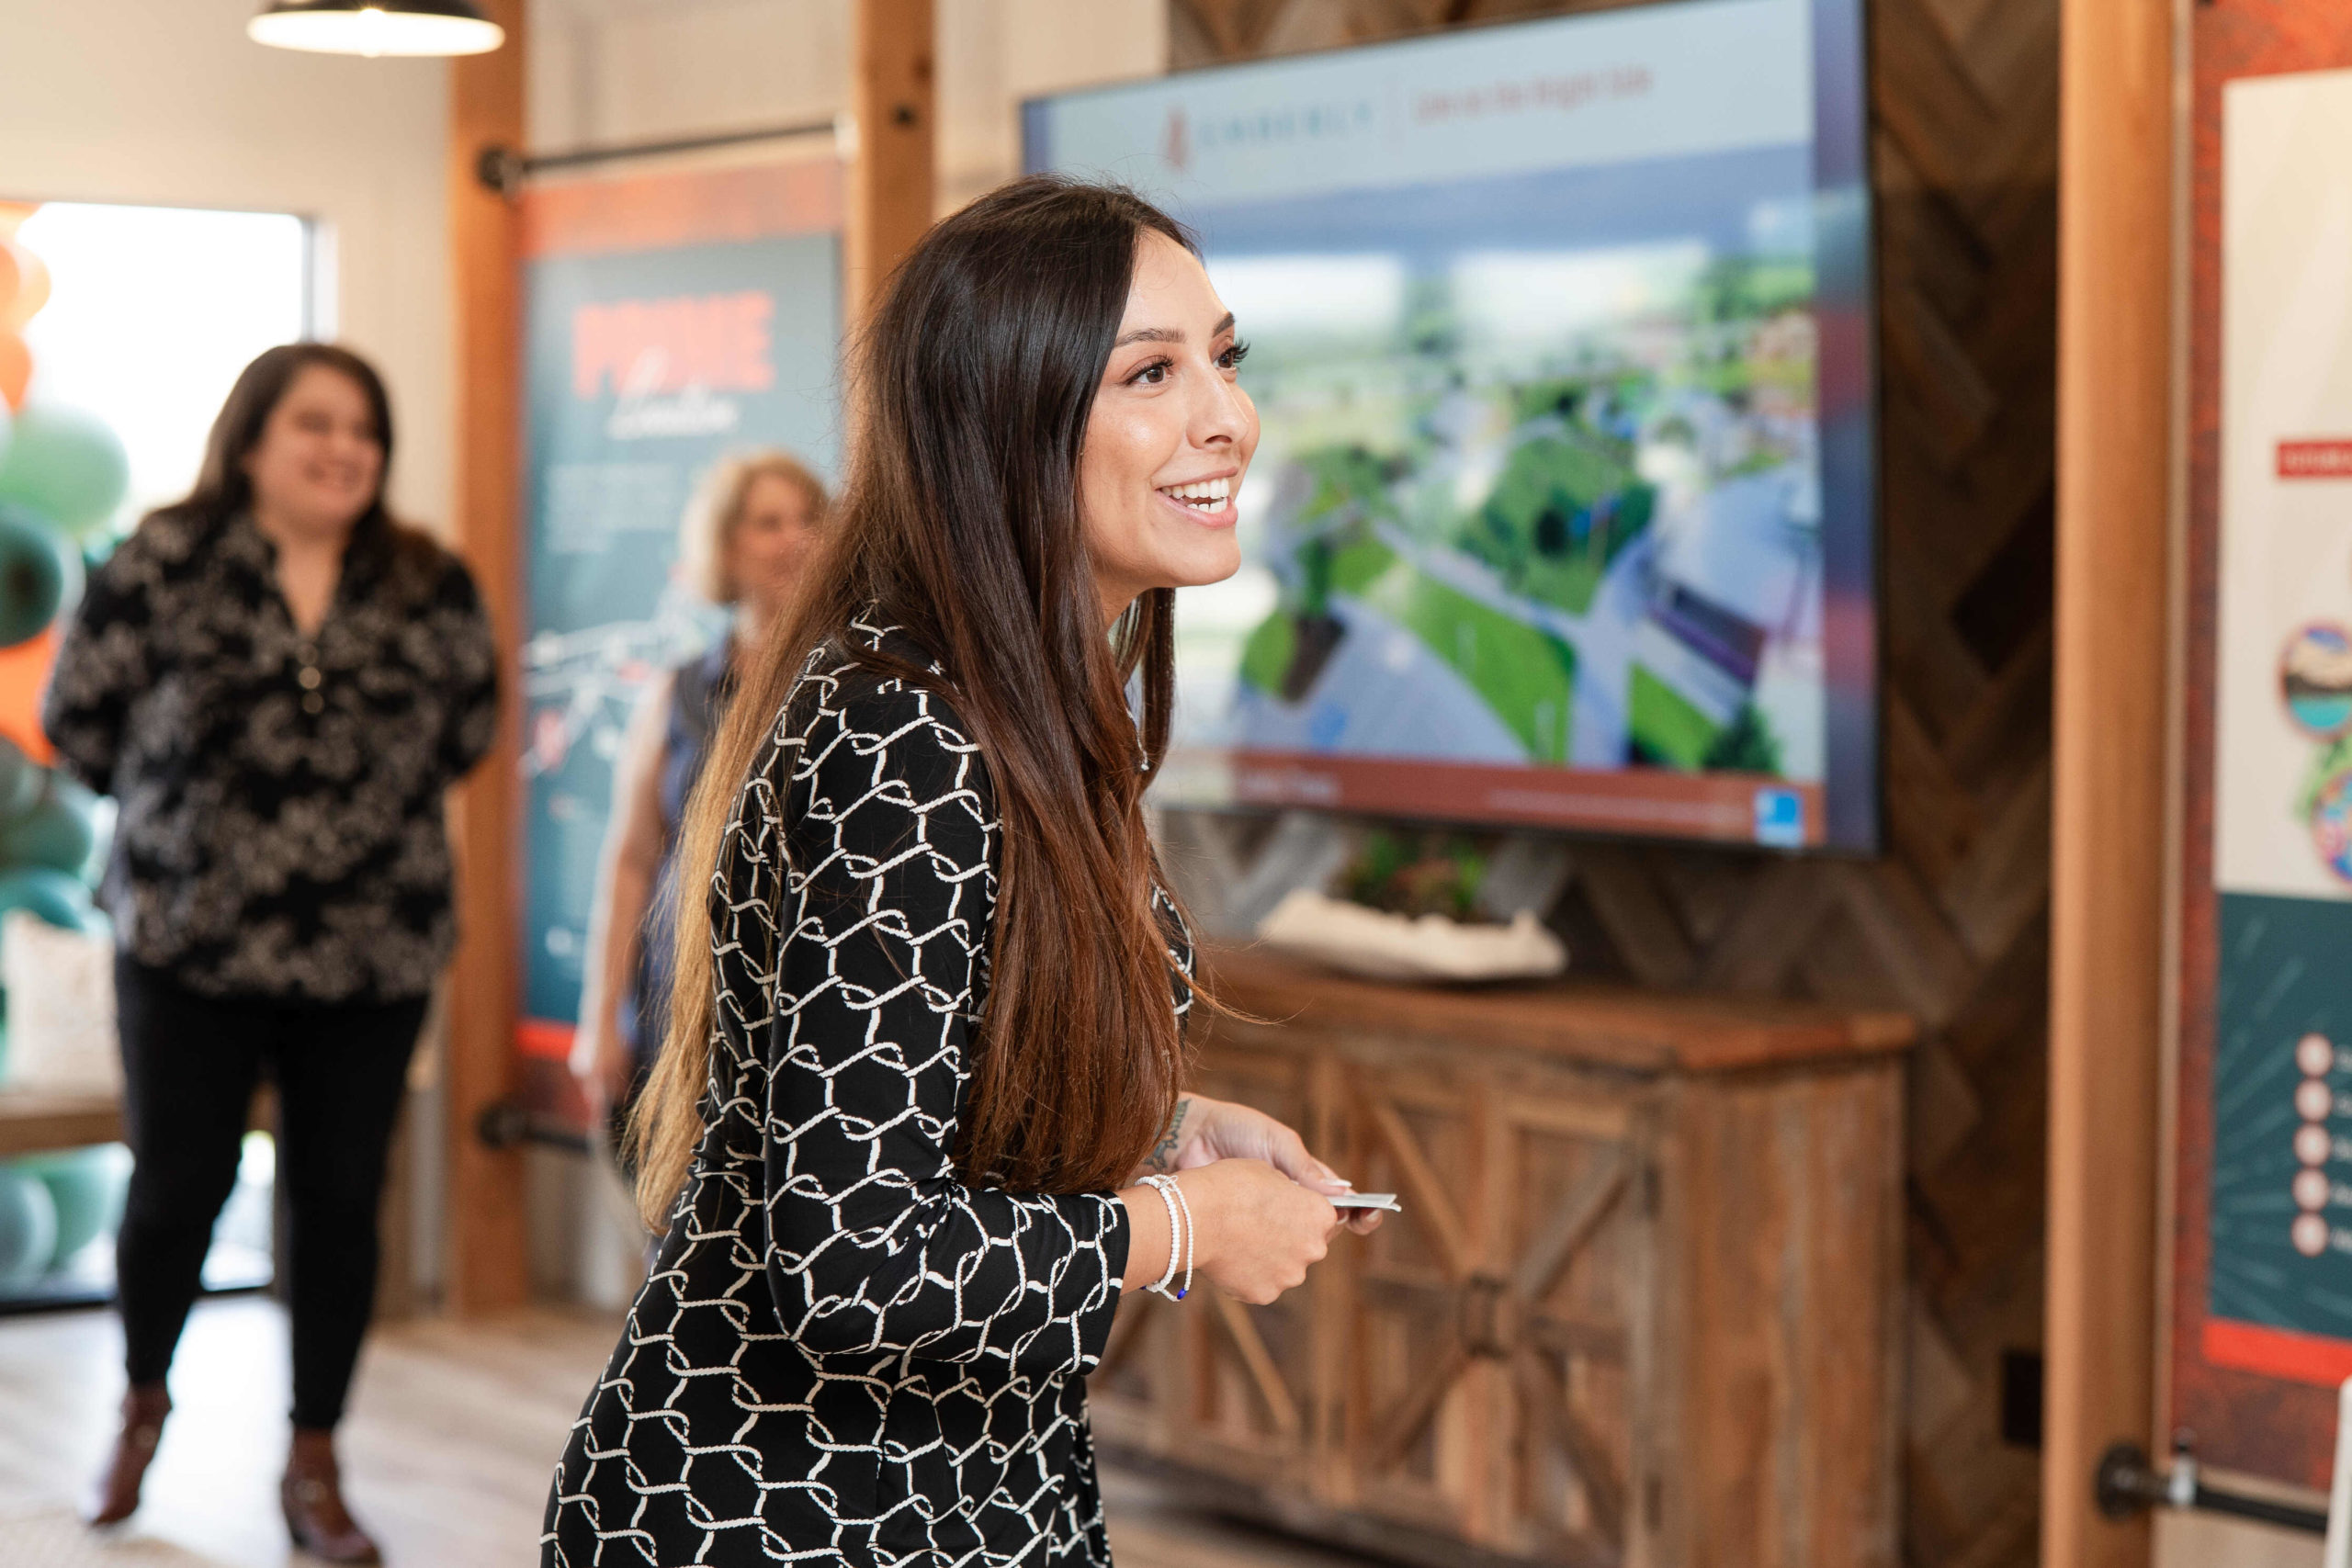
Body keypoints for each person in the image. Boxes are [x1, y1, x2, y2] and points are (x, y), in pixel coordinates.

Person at [540, 176, 1380, 1567]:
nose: (1225, 415)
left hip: (959, 1507)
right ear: (1008, 421)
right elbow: (852, 1252)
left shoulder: (1011, 710)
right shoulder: (908, 741)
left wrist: (1160, 1126)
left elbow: (926, 1089)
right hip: (790, 1517)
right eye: (1152, 374)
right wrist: (1180, 1225)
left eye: (1223, 359)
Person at [44, 343, 499, 1563]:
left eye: (365, 428)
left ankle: (315, 1460)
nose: (343, 447)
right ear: (252, 436)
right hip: (190, 942)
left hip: (374, 946)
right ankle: (144, 1403)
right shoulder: (159, 562)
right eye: (316, 423)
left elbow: (470, 726)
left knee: (340, 1202)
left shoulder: (428, 580)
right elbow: (77, 719)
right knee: (176, 1188)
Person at [569, 451, 827, 1163]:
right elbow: (630, 860)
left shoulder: (852, 680)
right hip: (683, 997)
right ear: (726, 546)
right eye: (769, 523)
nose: (795, 538)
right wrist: (600, 1017)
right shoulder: (679, 690)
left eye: (810, 518)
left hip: (810, 995)